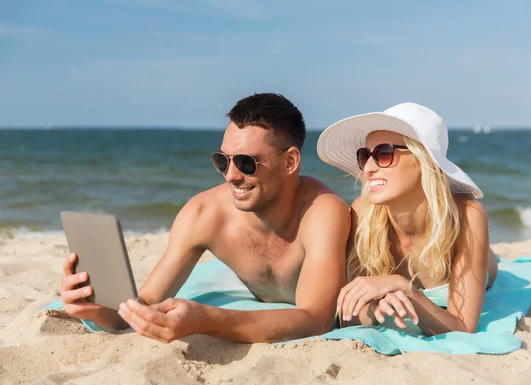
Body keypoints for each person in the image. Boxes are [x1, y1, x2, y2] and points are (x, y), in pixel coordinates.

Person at [58, 93, 350, 343]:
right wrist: (94, 309)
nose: (231, 175)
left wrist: (207, 320)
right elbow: (145, 304)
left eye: (247, 163)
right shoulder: (203, 214)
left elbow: (316, 320)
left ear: (290, 161)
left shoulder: (323, 213)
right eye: (222, 161)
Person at [317, 102, 498, 336]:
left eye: (383, 153)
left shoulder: (467, 216)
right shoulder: (363, 214)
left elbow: (463, 328)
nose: (369, 167)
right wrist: (374, 309)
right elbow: (345, 314)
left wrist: (404, 288)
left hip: (487, 265)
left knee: (490, 265)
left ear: (423, 161)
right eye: (365, 156)